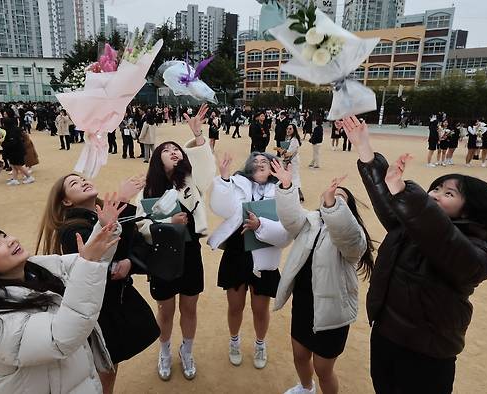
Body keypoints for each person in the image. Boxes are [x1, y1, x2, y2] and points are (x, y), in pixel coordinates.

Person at [341, 115, 487, 394]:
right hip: (386, 336)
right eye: (435, 188)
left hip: (427, 354)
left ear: (470, 211)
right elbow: (390, 204)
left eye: (448, 193)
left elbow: (442, 239)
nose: (434, 194)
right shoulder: (412, 227)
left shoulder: (479, 255)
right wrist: (364, 148)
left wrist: (404, 191)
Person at [0, 216, 122, 393]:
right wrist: (88, 263)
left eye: (4, 235)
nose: (11, 240)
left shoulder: (35, 269)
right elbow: (60, 338)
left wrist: (106, 229)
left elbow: (83, 262)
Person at [36, 175, 159, 394]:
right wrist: (122, 200)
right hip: (98, 309)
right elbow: (101, 258)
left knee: (110, 361)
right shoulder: (70, 229)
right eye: (74, 184)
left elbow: (137, 245)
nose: (82, 182)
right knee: (101, 365)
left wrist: (130, 263)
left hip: (117, 300)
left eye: (82, 179)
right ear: (66, 201)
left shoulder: (103, 213)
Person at [271, 160, 373, 394]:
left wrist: (332, 203)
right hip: (305, 302)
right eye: (329, 194)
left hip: (333, 311)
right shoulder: (310, 221)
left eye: (340, 199)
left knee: (323, 369)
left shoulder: (353, 237)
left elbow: (347, 238)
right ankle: (306, 388)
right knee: (299, 355)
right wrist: (287, 186)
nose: (332, 198)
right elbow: (290, 219)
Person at [135, 104, 216, 381]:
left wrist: (198, 137)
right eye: (167, 150)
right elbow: (141, 225)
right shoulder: (148, 191)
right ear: (158, 160)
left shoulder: (191, 181)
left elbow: (207, 169)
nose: (174, 151)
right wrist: (167, 225)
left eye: (177, 149)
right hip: (163, 255)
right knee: (166, 309)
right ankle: (165, 350)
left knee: (190, 307)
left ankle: (187, 350)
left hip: (190, 251)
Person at [208, 151, 291, 370]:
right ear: (248, 167)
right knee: (235, 306)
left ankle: (260, 344)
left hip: (264, 256)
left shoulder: (282, 190)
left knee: (260, 308)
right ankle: (234, 341)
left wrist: (260, 226)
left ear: (273, 167)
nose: (260, 163)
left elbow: (286, 234)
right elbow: (222, 209)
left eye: (265, 161)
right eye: (255, 161)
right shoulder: (237, 183)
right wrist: (225, 178)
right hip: (236, 252)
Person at [1, 115, 34, 185]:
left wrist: (3, 144)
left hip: (16, 151)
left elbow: (12, 142)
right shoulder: (14, 129)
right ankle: (15, 179)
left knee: (18, 165)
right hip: (14, 151)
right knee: (13, 165)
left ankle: (29, 177)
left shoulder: (12, 131)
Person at [280, 123, 304, 202]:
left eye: (290, 129)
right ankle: (293, 193)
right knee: (290, 176)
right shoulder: (288, 138)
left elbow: (289, 153)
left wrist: (282, 151)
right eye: (287, 128)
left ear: (294, 130)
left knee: (294, 176)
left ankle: (299, 193)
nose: (288, 130)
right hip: (289, 161)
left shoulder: (294, 140)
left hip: (293, 161)